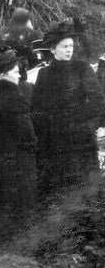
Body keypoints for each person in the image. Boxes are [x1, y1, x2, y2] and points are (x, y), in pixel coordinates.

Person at [31, 19, 105, 195]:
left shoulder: (82, 68)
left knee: (85, 190)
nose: (69, 50)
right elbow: (36, 107)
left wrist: (86, 125)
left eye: (70, 46)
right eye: (64, 46)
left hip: (81, 141)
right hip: (54, 142)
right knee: (59, 190)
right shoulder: (44, 74)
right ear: (53, 49)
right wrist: (47, 124)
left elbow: (97, 101)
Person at [0, 49, 38, 238]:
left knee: (3, 196)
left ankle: (3, 237)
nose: (18, 75)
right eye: (15, 71)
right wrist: (32, 145)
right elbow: (24, 129)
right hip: (19, 155)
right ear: (3, 75)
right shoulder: (13, 96)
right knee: (22, 197)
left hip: (0, 153)